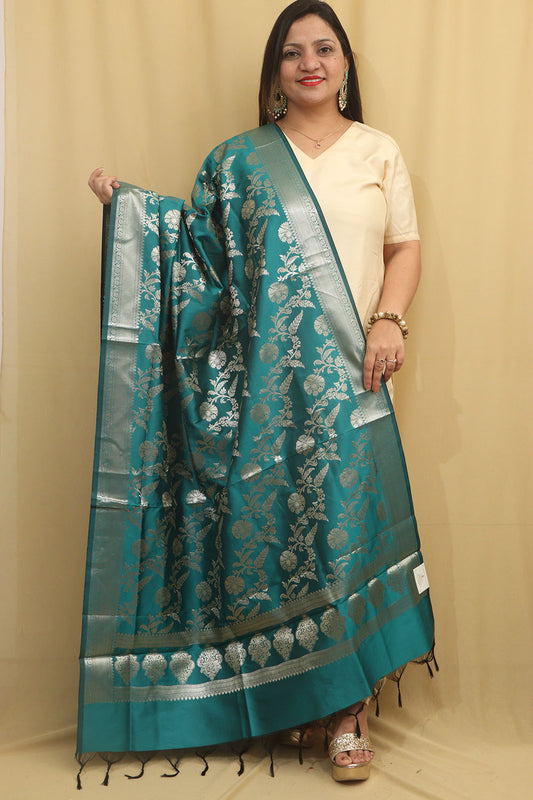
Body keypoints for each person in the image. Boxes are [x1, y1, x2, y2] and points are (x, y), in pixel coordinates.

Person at [82, 0, 435, 784]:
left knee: (343, 536)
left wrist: (388, 319)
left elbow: (402, 245)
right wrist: (131, 213)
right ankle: (292, 699)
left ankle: (348, 713)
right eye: (292, 52)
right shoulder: (236, 161)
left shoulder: (376, 151)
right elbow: (197, 259)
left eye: (324, 49)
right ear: (275, 71)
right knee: (273, 539)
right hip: (259, 393)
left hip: (351, 379)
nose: (309, 63)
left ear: (344, 64)